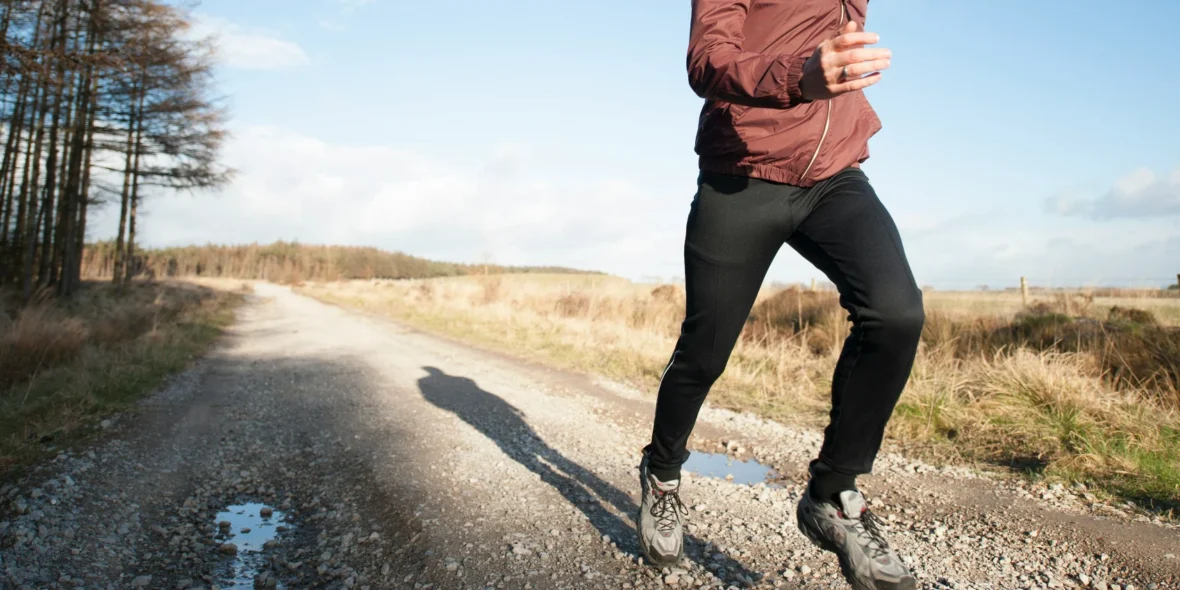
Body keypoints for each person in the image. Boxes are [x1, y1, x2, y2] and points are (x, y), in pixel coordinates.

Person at [636, 1, 924, 589]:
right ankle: (662, 475)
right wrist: (799, 76)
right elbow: (708, 60)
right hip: (742, 173)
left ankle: (832, 493)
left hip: (833, 174)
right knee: (705, 352)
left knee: (896, 314)